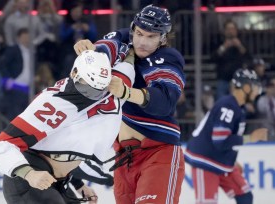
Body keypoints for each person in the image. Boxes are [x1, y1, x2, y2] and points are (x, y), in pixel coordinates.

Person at [0, 49, 136, 204]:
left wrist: (78, 184)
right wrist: (29, 173)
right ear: (75, 73)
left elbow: (65, 147)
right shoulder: (51, 104)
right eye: (89, 87)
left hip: (57, 181)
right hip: (29, 180)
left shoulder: (113, 87)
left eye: (99, 89)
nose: (92, 95)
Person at [74, 4, 186, 204]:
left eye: (151, 37)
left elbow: (166, 101)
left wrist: (127, 92)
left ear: (163, 38)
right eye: (140, 33)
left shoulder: (169, 58)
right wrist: (90, 52)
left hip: (158, 151)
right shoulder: (123, 37)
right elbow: (106, 49)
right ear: (133, 28)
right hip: (123, 157)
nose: (142, 42)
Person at [185, 68, 268, 204]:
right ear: (246, 87)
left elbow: (224, 139)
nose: (256, 90)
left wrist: (230, 159)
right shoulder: (228, 106)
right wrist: (250, 138)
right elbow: (220, 140)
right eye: (254, 86)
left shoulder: (237, 107)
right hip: (205, 161)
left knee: (245, 196)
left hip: (221, 161)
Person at [213, 19, 250, 100]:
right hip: (223, 79)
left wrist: (239, 46)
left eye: (233, 29)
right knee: (221, 103)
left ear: (236, 30)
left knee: (238, 103)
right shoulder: (219, 42)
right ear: (224, 31)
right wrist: (224, 47)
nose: (231, 31)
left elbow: (249, 57)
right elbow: (213, 57)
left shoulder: (242, 42)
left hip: (238, 80)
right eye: (228, 29)